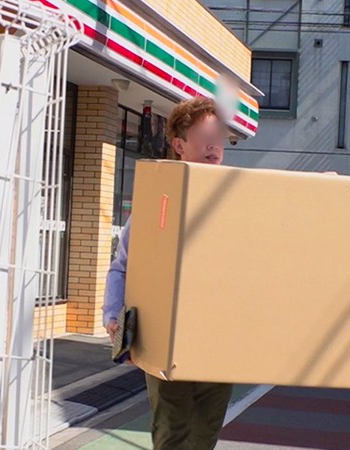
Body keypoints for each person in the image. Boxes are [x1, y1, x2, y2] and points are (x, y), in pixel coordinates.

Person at [103, 96, 233, 450]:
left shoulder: (236, 200)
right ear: (179, 145)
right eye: (204, 138)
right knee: (172, 434)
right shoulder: (157, 200)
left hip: (220, 338)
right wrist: (114, 316)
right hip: (168, 337)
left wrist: (317, 190)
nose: (213, 146)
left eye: (218, 138)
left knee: (204, 436)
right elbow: (123, 265)